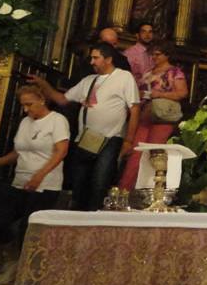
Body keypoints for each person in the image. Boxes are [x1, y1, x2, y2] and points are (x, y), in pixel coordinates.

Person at [29, 44, 140, 211]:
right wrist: (43, 84)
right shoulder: (88, 80)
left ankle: (95, 218)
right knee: (80, 184)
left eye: (96, 58)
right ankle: (78, 216)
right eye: (91, 58)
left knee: (100, 182)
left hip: (111, 138)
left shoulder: (124, 77)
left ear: (108, 59)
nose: (92, 62)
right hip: (86, 139)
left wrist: (128, 140)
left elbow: (135, 108)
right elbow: (62, 100)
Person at [0, 85, 69, 244]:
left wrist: (39, 176)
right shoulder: (25, 122)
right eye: (23, 105)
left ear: (42, 100)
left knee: (28, 230)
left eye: (29, 104)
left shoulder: (57, 120)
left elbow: (61, 151)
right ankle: (5, 253)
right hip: (20, 182)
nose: (25, 109)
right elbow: (18, 152)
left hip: (45, 185)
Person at [118, 41, 189, 190]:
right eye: (153, 54)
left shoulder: (175, 72)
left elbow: (182, 93)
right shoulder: (149, 72)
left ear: (167, 55)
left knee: (153, 154)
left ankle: (148, 192)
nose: (154, 57)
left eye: (158, 54)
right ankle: (125, 190)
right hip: (145, 115)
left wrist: (160, 94)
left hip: (162, 117)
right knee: (136, 153)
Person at [124, 21, 155, 94]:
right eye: (144, 32)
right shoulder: (129, 53)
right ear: (137, 35)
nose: (147, 35)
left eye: (150, 32)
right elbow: (125, 76)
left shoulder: (155, 53)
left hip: (152, 92)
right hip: (134, 92)